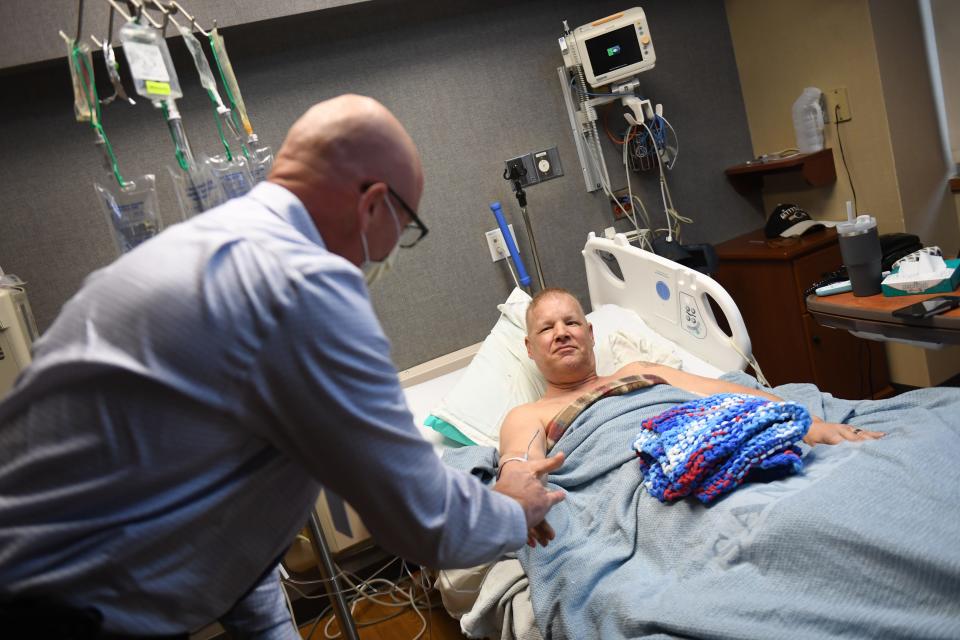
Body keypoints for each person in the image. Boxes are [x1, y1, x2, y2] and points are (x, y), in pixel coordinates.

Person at [0, 95, 564, 638]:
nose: (384, 258)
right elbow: (421, 521)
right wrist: (513, 507)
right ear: (372, 205)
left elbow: (221, 500)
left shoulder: (186, 250)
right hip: (61, 608)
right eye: (404, 230)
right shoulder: (302, 285)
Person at [499, 288, 885, 545]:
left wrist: (810, 425)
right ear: (529, 349)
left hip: (713, 442)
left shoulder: (639, 368)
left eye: (571, 322)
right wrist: (514, 488)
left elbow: (723, 393)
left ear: (591, 332)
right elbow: (520, 462)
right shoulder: (531, 413)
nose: (562, 333)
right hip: (648, 486)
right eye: (547, 328)